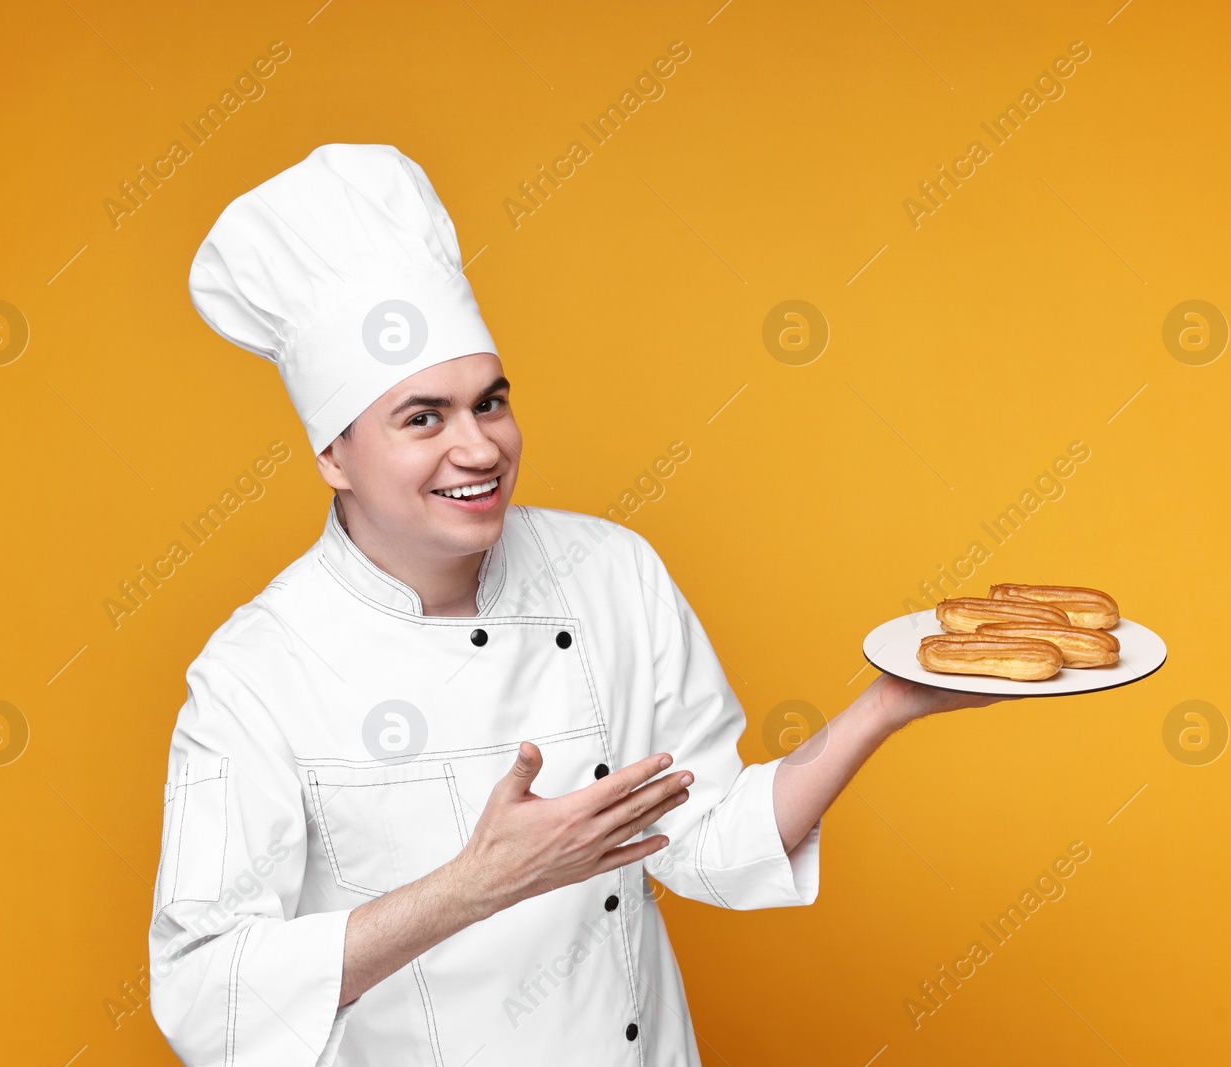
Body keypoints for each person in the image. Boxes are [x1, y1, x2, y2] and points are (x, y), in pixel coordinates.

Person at [148, 143, 999, 1066]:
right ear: (333, 454)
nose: (479, 449)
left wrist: (886, 705)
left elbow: (704, 836)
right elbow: (206, 995)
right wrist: (475, 885)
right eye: (423, 417)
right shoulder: (258, 670)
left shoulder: (609, 573)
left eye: (491, 403)